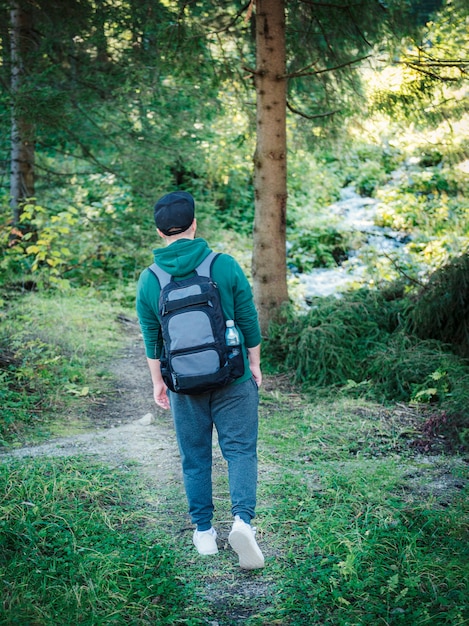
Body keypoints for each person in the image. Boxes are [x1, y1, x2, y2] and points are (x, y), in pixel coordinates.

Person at [136, 190, 265, 570]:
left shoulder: (150, 279)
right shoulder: (222, 265)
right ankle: (242, 521)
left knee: (194, 457)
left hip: (183, 384)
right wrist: (254, 364)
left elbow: (152, 336)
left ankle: (204, 532)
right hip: (232, 375)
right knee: (240, 450)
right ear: (194, 224)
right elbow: (248, 319)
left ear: (159, 233)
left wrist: (158, 382)